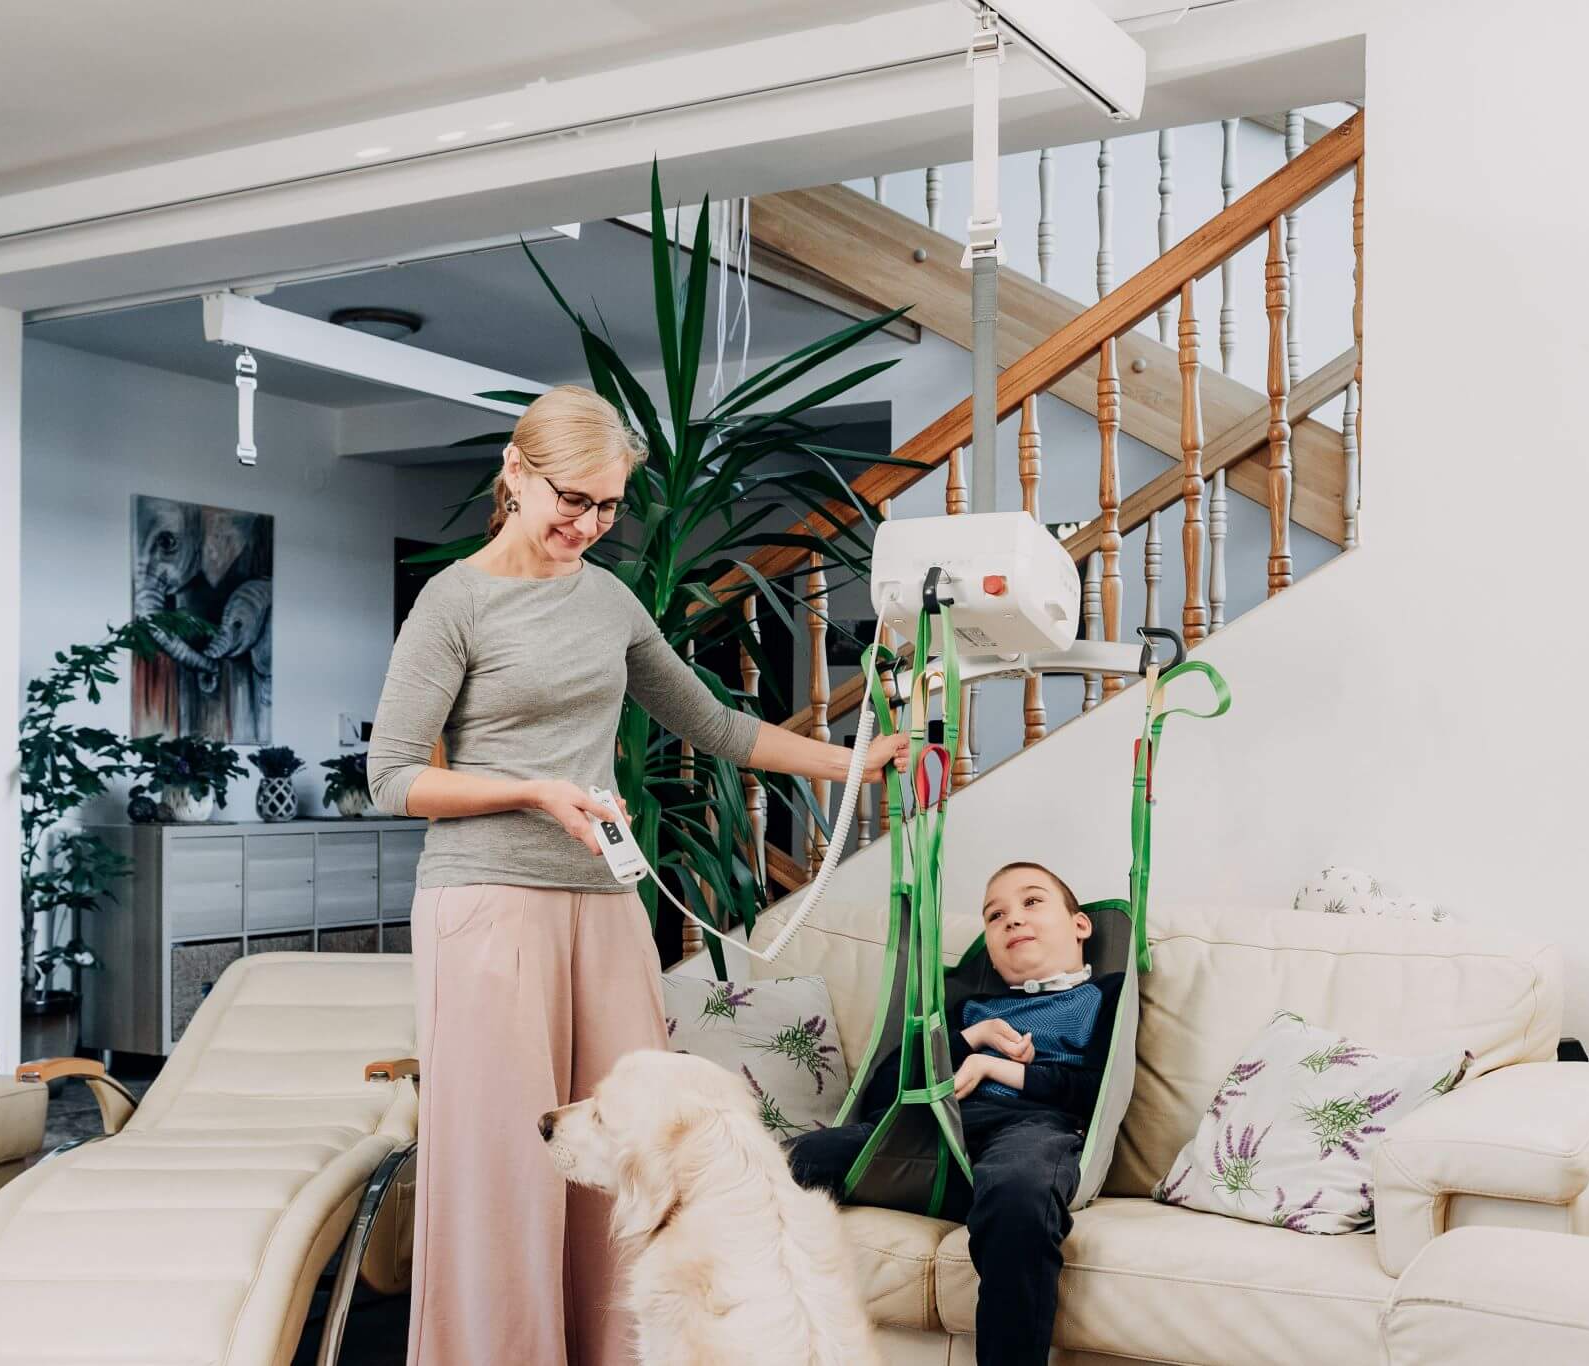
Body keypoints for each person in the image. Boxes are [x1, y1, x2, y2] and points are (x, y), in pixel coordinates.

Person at [367, 384, 913, 1366]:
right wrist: (534, 792)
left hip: (603, 905)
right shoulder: (455, 600)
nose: (586, 523)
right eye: (569, 499)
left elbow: (710, 724)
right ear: (514, 473)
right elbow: (392, 775)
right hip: (486, 906)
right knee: (505, 1168)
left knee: (627, 1154)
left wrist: (851, 762)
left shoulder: (608, 599)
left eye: (608, 505)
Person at [785, 862, 1124, 1366]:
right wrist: (973, 1040)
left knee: (1018, 1191)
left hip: (1033, 1129)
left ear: (1080, 925)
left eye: (1032, 902)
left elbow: (1096, 1091)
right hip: (941, 1132)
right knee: (794, 1159)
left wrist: (1002, 1070)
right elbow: (884, 1095)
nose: (1013, 919)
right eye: (995, 915)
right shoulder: (967, 1007)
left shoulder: (1105, 996)